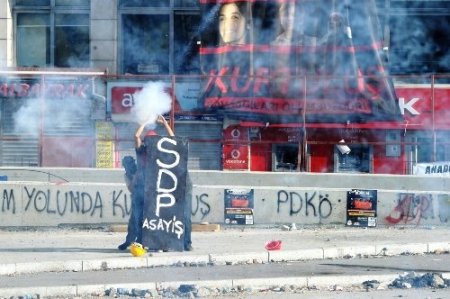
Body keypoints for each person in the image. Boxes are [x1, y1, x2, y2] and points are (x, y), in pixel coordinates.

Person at [118, 115, 174, 251]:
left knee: (157, 217)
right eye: (148, 140)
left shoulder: (161, 154)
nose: (150, 142)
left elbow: (173, 140)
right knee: (138, 218)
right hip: (140, 190)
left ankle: (160, 243)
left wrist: (166, 124)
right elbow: (136, 136)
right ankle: (139, 241)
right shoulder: (141, 152)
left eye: (153, 140)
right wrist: (145, 121)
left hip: (156, 190)